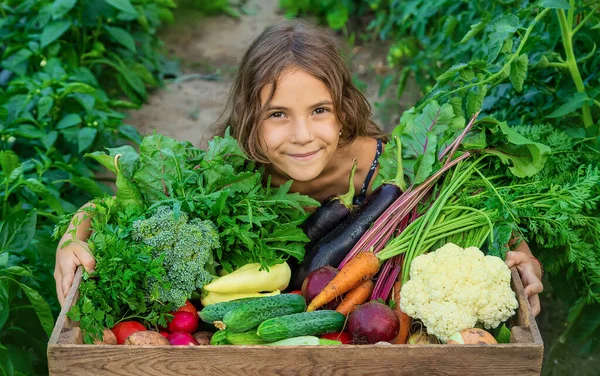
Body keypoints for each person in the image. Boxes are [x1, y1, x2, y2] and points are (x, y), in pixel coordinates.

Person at [54, 20, 543, 315]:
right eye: (277, 115)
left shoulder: (393, 169)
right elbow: (111, 203)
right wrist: (73, 237)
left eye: (319, 111)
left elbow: (481, 207)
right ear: (249, 119)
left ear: (344, 108)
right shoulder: (230, 177)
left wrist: (517, 252)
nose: (303, 135)